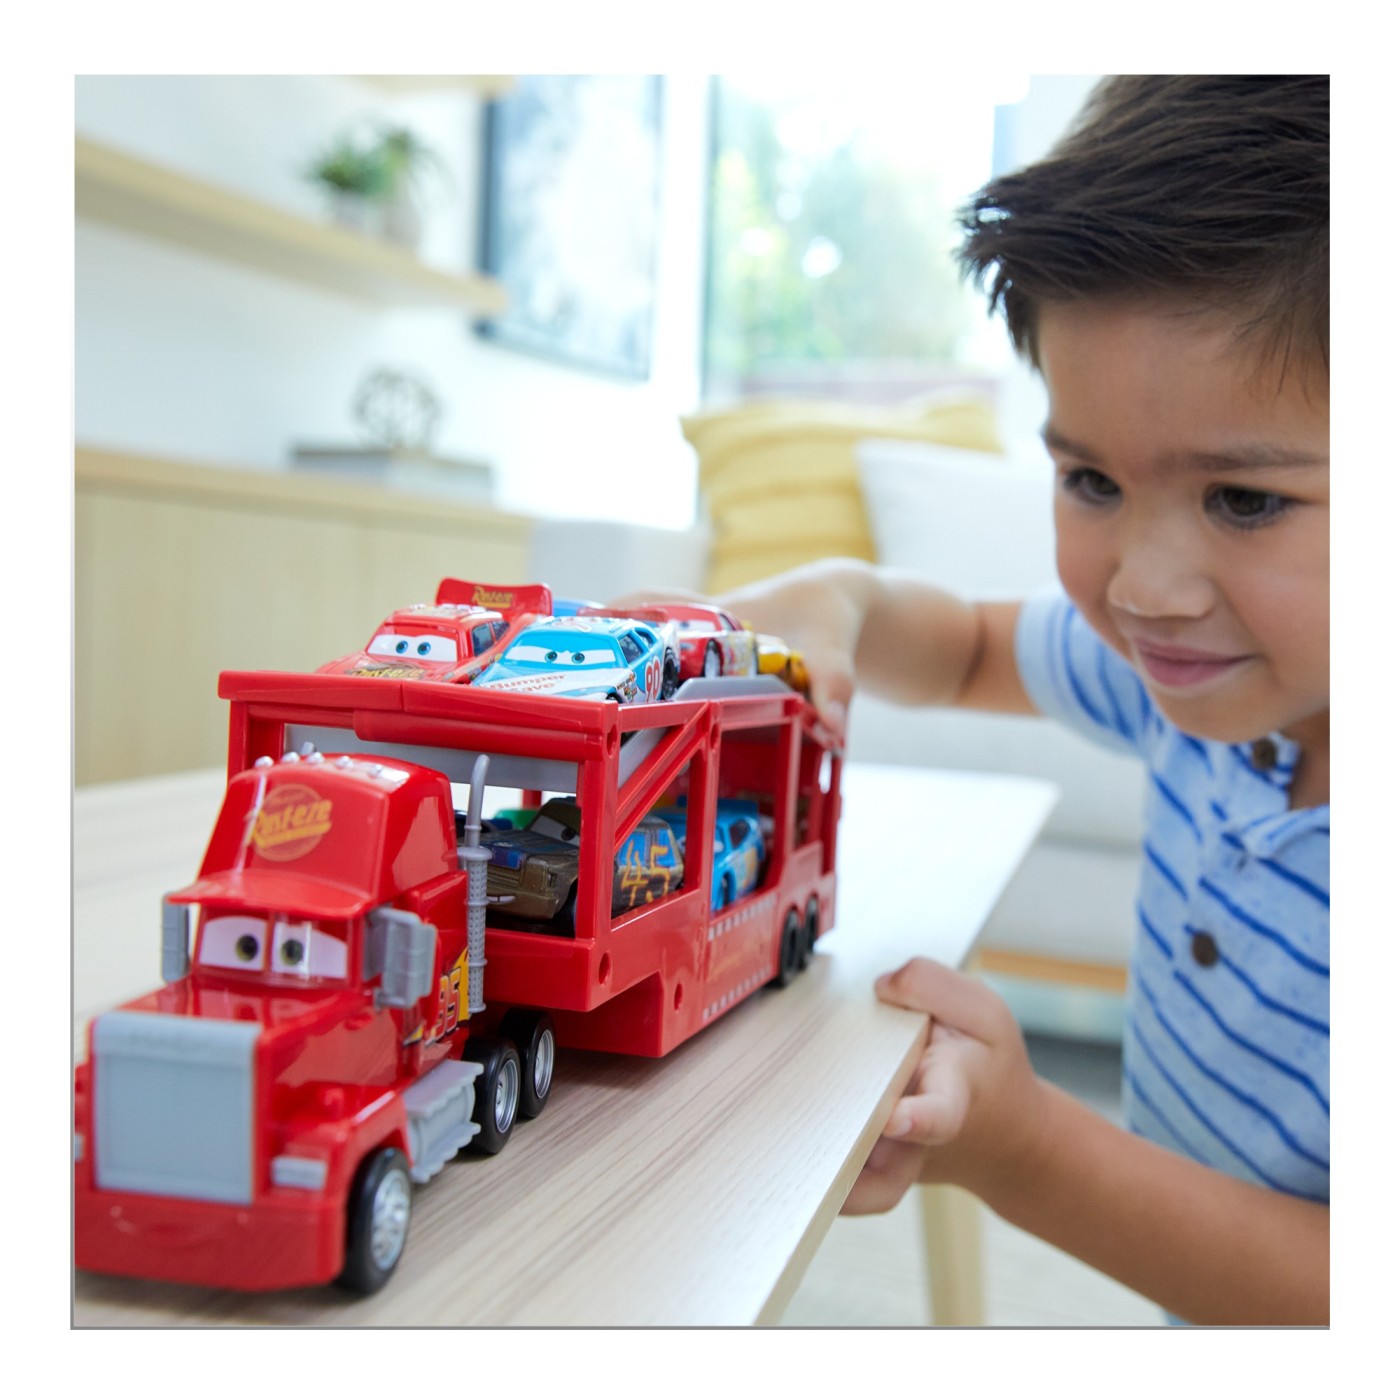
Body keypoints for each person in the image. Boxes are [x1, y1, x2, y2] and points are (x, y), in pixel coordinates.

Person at [625, 75, 1330, 1324]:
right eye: (1090, 481)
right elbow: (958, 651)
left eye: (1243, 500)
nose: (1141, 589)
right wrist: (844, 596)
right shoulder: (1202, 685)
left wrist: (1027, 1149)